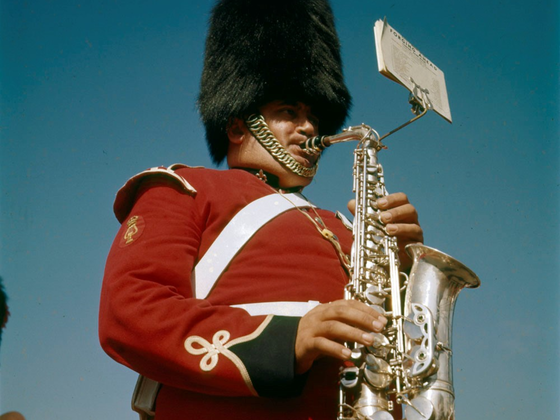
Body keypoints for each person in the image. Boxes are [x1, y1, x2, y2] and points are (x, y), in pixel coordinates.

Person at [98, 1, 423, 419]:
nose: (309, 128)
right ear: (237, 126)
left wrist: (404, 261)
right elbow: (130, 311)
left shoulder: (343, 227)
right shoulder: (185, 187)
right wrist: (287, 342)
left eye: (313, 116)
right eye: (289, 111)